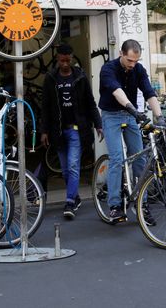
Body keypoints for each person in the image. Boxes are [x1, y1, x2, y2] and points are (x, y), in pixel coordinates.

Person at [98, 39, 165, 224]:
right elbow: (117, 92)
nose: (132, 64)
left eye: (136, 61)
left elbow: (149, 92)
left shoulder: (139, 69)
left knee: (139, 158)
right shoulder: (108, 69)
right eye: (129, 60)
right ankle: (114, 206)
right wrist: (133, 109)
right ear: (121, 53)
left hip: (130, 116)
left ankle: (141, 205)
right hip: (111, 115)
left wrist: (160, 117)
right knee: (117, 158)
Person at [40, 43, 103, 220]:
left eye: (68, 60)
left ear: (72, 58)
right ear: (57, 59)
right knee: (66, 170)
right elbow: (45, 106)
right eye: (62, 61)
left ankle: (69, 202)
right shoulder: (50, 78)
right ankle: (75, 196)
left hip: (76, 130)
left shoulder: (81, 77)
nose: (65, 64)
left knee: (73, 166)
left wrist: (98, 124)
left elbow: (90, 103)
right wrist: (44, 131)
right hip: (57, 131)